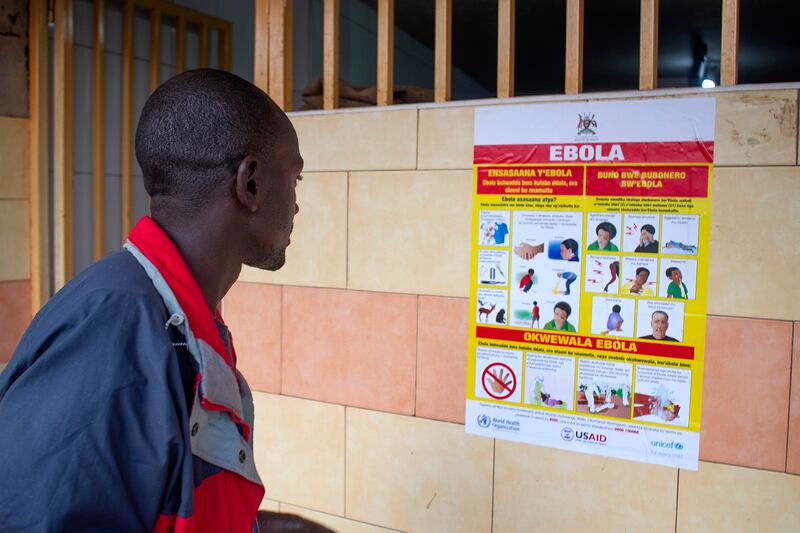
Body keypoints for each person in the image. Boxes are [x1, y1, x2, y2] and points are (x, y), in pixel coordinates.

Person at [0, 70, 315, 531]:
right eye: (295, 180)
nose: (296, 204)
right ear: (250, 184)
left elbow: (167, 498)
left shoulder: (182, 320)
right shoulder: (113, 329)